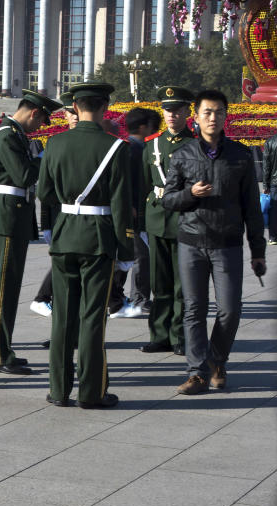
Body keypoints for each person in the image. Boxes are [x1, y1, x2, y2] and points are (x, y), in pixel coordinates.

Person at [162, 89, 267, 395]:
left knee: (230, 310)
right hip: (191, 242)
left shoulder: (241, 155)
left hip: (228, 244)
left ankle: (217, 360)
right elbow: (168, 200)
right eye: (207, 112)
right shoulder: (182, 155)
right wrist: (189, 195)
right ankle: (196, 373)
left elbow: (252, 208)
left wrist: (257, 251)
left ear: (225, 116)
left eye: (218, 112)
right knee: (194, 309)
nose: (212, 117)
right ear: (195, 117)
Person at [37, 82, 134, 409]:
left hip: (66, 236)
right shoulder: (114, 148)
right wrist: (127, 253)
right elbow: (122, 206)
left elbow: (44, 193)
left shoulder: (55, 143)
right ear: (105, 107)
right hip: (99, 239)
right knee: (92, 319)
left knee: (62, 317)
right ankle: (92, 393)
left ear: (75, 108)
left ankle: (59, 390)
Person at [0, 90, 62, 375]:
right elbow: (24, 176)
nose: (40, 128)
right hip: (5, 216)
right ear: (34, 112)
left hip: (12, 214)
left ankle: (4, 349)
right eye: (41, 121)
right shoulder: (6, 134)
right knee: (3, 289)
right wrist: (49, 153)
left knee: (10, 287)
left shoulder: (13, 133)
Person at [140, 86, 196, 355]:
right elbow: (143, 184)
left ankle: (179, 336)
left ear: (188, 111)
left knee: (181, 283)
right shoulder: (152, 143)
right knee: (159, 282)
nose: (171, 115)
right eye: (167, 110)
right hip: (156, 217)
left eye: (176, 110)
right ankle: (159, 333)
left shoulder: (195, 144)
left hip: (184, 218)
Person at [109, 106, 160, 319]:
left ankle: (117, 297)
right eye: (153, 127)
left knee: (129, 257)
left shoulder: (128, 147)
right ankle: (136, 298)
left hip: (132, 211)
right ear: (143, 127)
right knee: (140, 256)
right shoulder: (134, 150)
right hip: (132, 213)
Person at [31, 93, 78, 321]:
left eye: (77, 112)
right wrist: (46, 224)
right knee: (63, 272)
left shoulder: (103, 143)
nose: (75, 117)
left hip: (88, 221)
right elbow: (45, 190)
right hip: (62, 219)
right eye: (70, 112)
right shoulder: (56, 145)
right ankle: (56, 316)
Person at [261, 121, 277, 245]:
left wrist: (265, 185)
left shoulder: (270, 142)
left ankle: (273, 237)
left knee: (274, 209)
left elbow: (266, 166)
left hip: (274, 182)